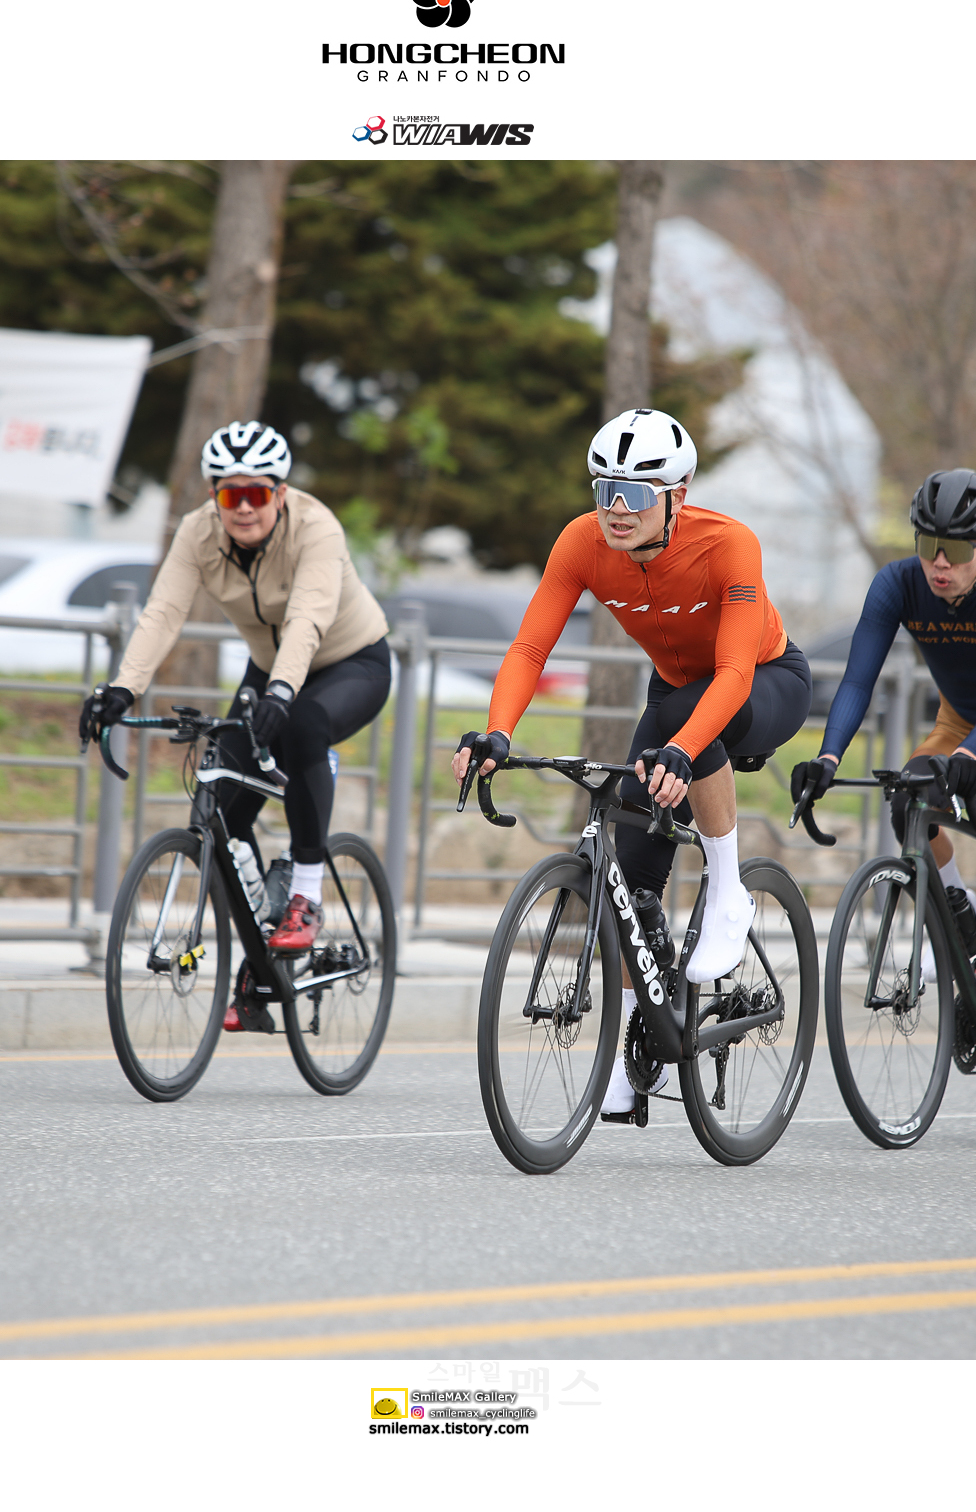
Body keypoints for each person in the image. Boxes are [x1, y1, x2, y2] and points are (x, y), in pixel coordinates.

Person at [452, 408, 812, 1124]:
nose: (617, 508)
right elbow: (530, 649)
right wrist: (497, 733)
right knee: (631, 878)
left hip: (764, 683)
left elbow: (733, 674)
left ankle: (729, 889)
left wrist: (683, 749)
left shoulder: (729, 544)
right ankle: (632, 1051)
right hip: (675, 694)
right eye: (604, 490)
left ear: (678, 495)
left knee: (685, 721)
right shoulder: (582, 541)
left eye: (638, 494)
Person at [78, 421, 390, 1028]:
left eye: (257, 493)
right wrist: (122, 688)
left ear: (280, 493)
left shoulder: (317, 527)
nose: (243, 507)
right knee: (222, 808)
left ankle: (305, 896)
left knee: (303, 725)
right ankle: (261, 963)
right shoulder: (197, 532)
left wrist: (281, 691)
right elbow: (164, 611)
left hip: (350, 662)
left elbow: (307, 619)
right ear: (214, 497)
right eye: (230, 495)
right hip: (271, 668)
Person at [790, 467, 976, 1095]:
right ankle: (961, 910)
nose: (938, 564)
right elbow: (858, 679)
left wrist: (974, 752)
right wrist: (827, 758)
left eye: (954, 550)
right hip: (960, 725)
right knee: (907, 801)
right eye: (927, 545)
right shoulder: (897, 584)